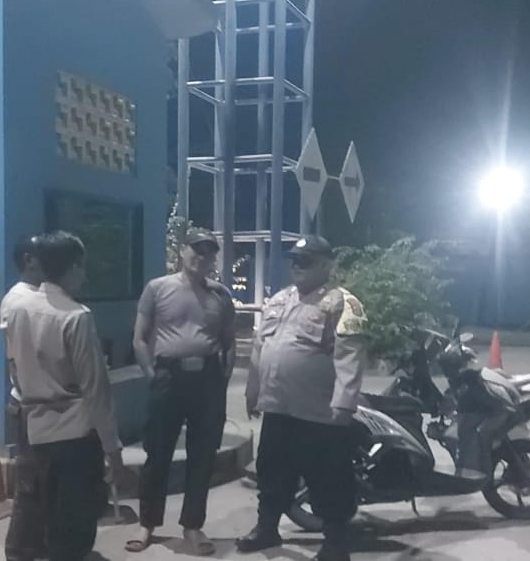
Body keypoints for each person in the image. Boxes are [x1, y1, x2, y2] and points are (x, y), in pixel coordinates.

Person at [237, 235, 368, 561]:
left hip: (319, 414)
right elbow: (260, 348)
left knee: (328, 481)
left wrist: (344, 402)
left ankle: (335, 545)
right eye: (294, 260)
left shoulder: (343, 303)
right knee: (271, 472)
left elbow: (351, 356)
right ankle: (267, 528)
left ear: (326, 265)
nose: (297, 266)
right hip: (278, 408)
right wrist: (253, 389)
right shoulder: (280, 299)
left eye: (305, 261)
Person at [4, 231, 125, 561]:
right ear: (72, 268)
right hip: (76, 436)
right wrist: (112, 448)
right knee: (74, 527)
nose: (84, 276)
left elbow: (15, 367)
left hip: (36, 431)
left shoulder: (18, 310)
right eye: (82, 267)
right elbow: (95, 388)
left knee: (44, 514)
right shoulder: (76, 316)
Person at [127, 230, 237, 555]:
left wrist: (222, 380)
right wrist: (152, 375)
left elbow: (229, 342)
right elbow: (139, 338)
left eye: (209, 252)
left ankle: (192, 525)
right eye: (196, 250)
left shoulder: (220, 295)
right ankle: (147, 523)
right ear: (182, 251)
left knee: (203, 456)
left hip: (208, 380)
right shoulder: (157, 288)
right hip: (168, 377)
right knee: (157, 453)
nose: (202, 257)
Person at [2, 234, 47, 561]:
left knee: (41, 482)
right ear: (30, 260)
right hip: (30, 404)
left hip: (37, 403)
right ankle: (18, 550)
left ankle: (35, 545)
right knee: (29, 484)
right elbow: (18, 359)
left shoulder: (35, 297)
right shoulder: (20, 301)